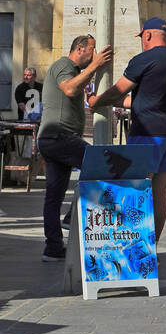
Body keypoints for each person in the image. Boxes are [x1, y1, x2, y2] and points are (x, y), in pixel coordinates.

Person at [89, 17, 166, 243]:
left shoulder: (143, 60)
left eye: (142, 38)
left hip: (147, 133)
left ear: (147, 35)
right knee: (160, 192)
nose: (142, 42)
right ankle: (151, 245)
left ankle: (134, 244)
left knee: (136, 188)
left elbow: (118, 90)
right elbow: (149, 98)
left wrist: (96, 101)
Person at [36, 35, 112, 263]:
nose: (95, 53)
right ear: (80, 49)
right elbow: (69, 89)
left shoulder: (74, 71)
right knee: (99, 165)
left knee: (53, 196)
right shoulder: (64, 65)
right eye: (92, 50)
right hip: (59, 137)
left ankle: (52, 249)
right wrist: (96, 66)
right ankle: (71, 217)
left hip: (54, 140)